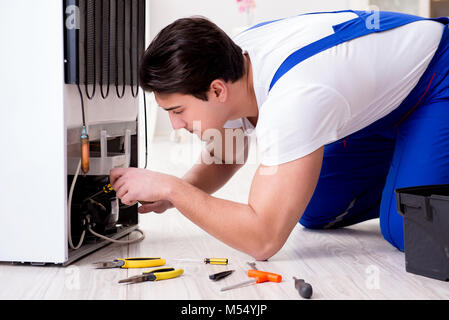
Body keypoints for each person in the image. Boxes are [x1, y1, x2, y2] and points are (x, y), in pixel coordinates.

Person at [110, 10, 449, 260]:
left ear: (216, 91)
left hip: (435, 74)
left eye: (177, 111)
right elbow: (228, 152)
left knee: (412, 229)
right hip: (381, 102)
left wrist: (173, 188)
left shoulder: (292, 101)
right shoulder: (230, 63)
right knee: (317, 209)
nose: (176, 126)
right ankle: (411, 164)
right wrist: (174, 195)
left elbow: (263, 239)